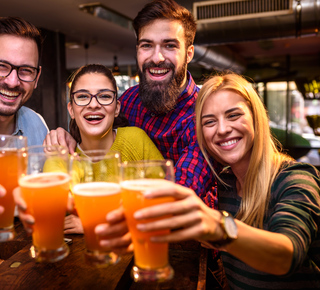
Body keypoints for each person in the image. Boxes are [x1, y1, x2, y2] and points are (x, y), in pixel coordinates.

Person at [125, 73, 320, 289]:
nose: (222, 129)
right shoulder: (225, 184)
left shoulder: (296, 177)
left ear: (256, 118)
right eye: (209, 121)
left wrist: (220, 227)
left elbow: (286, 255)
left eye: (233, 115)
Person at [45, 0, 219, 208]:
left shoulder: (206, 116)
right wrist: (67, 136)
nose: (157, 57)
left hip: (189, 234)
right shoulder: (130, 99)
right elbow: (94, 132)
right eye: (147, 45)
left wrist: (95, 215)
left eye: (169, 45)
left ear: (189, 53)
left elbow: (178, 199)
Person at [18, 63, 164, 235]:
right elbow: (53, 209)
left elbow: (164, 201)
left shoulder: (136, 140)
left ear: (116, 108)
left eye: (104, 96)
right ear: (71, 109)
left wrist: (93, 222)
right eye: (82, 97)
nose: (93, 104)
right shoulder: (61, 156)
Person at [0, 17, 48, 145]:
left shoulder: (37, 125)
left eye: (26, 70)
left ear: (37, 78)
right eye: (2, 66)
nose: (13, 82)